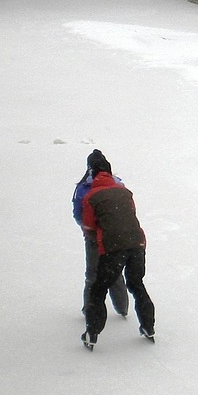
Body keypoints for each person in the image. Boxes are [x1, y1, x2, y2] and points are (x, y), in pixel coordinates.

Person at [80, 153, 156, 350]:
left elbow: (88, 227)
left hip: (113, 247)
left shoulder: (90, 196)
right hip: (137, 243)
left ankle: (92, 332)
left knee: (98, 289)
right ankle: (148, 326)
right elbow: (130, 214)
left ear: (92, 173)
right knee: (137, 284)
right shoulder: (125, 192)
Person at [73, 150, 128, 318]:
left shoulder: (83, 188)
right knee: (115, 273)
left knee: (92, 274)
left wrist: (89, 228)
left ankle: (89, 310)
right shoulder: (118, 184)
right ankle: (122, 308)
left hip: (93, 238)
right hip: (115, 236)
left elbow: (78, 215)